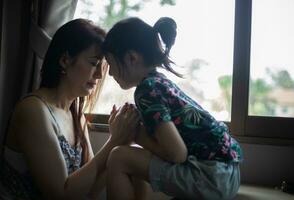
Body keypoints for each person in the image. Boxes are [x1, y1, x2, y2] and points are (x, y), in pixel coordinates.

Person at [103, 17, 243, 200]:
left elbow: (177, 154)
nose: (111, 72)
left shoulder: (146, 90)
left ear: (131, 58)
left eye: (110, 64)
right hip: (227, 172)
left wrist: (135, 133)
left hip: (211, 176)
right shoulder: (159, 82)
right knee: (133, 154)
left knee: (118, 157)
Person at [0, 18, 139, 200]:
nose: (98, 75)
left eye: (102, 66)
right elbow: (61, 194)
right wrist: (113, 142)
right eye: (93, 63)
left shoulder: (76, 116)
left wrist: (121, 144)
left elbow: (89, 189)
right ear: (65, 60)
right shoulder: (32, 110)